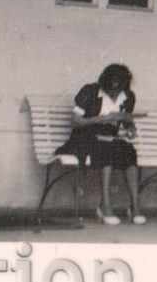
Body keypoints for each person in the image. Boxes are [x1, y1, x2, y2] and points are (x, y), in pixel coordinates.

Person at [56, 63, 146, 225]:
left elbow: (126, 120)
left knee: (129, 151)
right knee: (106, 150)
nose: (114, 93)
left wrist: (130, 128)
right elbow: (75, 121)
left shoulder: (128, 96)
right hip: (84, 137)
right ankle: (105, 206)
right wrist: (100, 119)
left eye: (118, 89)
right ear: (104, 83)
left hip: (108, 138)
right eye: (111, 89)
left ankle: (135, 207)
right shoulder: (89, 91)